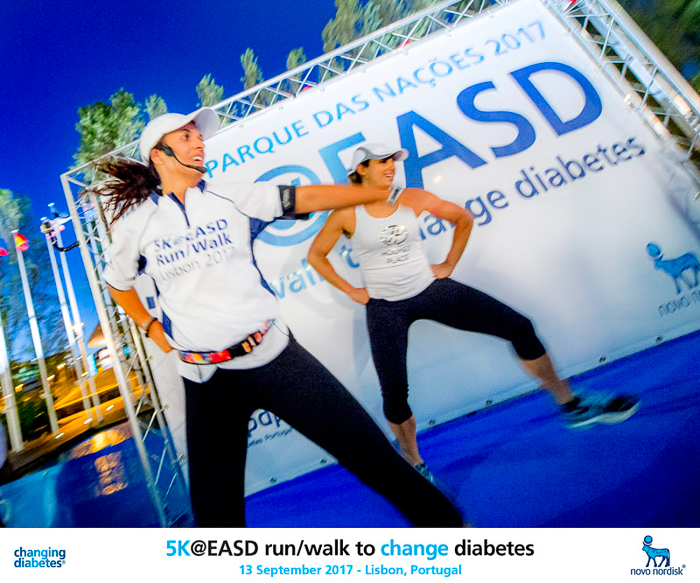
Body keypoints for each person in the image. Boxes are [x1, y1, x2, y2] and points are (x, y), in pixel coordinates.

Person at [99, 110, 464, 527]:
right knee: (216, 523)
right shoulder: (136, 227)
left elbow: (304, 198)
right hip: (206, 381)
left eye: (198, 135)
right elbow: (117, 283)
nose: (198, 142)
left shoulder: (233, 197)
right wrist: (149, 326)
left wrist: (365, 195)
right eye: (185, 136)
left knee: (376, 460)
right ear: (158, 154)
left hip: (274, 357)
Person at [307, 143, 640, 481]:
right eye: (382, 161)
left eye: (393, 160)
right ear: (361, 169)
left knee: (519, 327)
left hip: (430, 289)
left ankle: (570, 405)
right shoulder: (346, 214)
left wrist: (449, 264)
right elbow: (316, 255)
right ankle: (414, 463)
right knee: (394, 394)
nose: (391, 166)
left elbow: (462, 218)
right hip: (385, 308)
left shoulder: (412, 198)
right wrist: (350, 289)